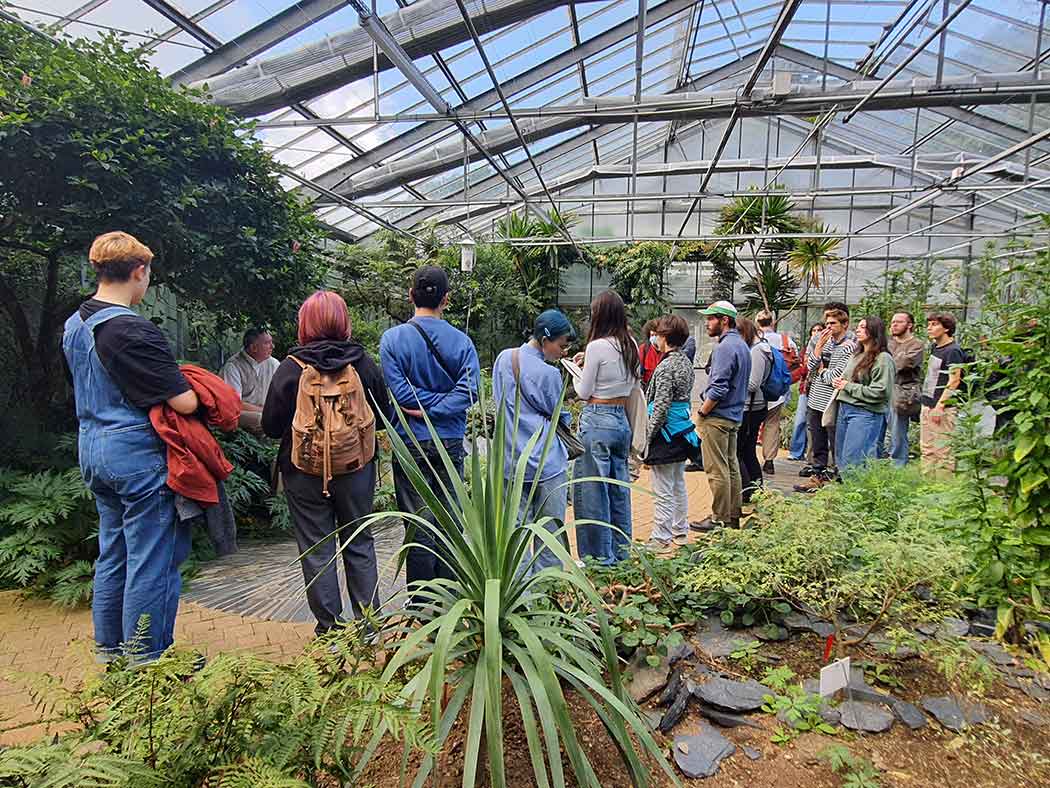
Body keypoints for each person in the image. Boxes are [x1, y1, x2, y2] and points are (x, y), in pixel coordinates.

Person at [63, 232, 199, 664]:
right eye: (148, 275)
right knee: (152, 558)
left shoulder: (75, 323)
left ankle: (111, 651)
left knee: (114, 551)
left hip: (93, 448)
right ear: (139, 271)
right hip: (136, 455)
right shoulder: (131, 329)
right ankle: (149, 659)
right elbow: (185, 401)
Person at [262, 291, 391, 635]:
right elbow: (384, 415)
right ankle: (370, 627)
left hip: (303, 473)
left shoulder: (291, 367)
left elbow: (271, 426)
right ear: (343, 321)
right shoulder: (362, 363)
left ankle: (330, 631)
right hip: (356, 470)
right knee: (359, 542)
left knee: (317, 548)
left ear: (305, 325)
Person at [380, 266, 480, 593]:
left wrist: (421, 408)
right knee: (450, 517)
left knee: (416, 520)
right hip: (449, 440)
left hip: (410, 441)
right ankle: (449, 596)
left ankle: (422, 602)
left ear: (411, 296)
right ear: (447, 299)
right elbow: (469, 392)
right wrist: (442, 405)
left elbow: (402, 394)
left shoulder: (392, 340)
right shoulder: (462, 342)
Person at [493, 309, 576, 573]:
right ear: (545, 340)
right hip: (547, 463)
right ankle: (546, 590)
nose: (563, 351)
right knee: (549, 534)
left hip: (510, 461)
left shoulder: (504, 359)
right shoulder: (549, 375)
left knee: (514, 534)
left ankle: (520, 596)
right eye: (561, 345)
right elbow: (560, 416)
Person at [572, 290, 639, 564]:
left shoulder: (596, 346)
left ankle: (598, 558)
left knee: (592, 492)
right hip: (621, 420)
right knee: (618, 490)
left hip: (597, 418)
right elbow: (633, 385)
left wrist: (576, 371)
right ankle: (622, 554)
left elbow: (583, 392)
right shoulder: (631, 344)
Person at [690, 301, 750, 532]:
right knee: (731, 466)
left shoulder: (724, 348)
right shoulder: (742, 345)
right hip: (734, 416)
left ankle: (719, 518)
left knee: (717, 470)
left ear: (725, 320)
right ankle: (733, 514)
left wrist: (703, 411)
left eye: (711, 319)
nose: (707, 323)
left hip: (718, 417)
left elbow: (718, 388)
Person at [642, 315, 698, 549]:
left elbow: (661, 405)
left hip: (665, 435)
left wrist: (648, 437)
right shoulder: (685, 361)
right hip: (681, 432)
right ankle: (680, 531)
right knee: (677, 484)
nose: (653, 338)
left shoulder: (665, 366)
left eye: (656, 334)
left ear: (664, 336)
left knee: (662, 488)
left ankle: (661, 537)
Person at [794, 303, 857, 493]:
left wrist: (822, 371)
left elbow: (836, 377)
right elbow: (811, 365)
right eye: (827, 323)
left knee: (835, 438)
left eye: (833, 324)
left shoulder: (849, 347)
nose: (828, 327)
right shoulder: (823, 342)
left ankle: (838, 474)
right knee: (817, 438)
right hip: (815, 398)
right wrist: (819, 347)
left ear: (844, 324)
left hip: (833, 400)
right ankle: (818, 473)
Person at [831, 316, 895, 472]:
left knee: (855, 460)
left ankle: (856, 492)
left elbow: (881, 392)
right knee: (842, 459)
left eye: (863, 327)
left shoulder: (883, 358)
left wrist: (848, 386)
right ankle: (848, 492)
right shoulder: (857, 354)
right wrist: (840, 382)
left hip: (865, 413)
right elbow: (848, 380)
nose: (857, 330)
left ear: (874, 331)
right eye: (858, 326)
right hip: (845, 409)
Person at [920, 312, 966, 479]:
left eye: (934, 325)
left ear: (946, 328)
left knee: (943, 451)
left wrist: (940, 405)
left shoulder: (953, 351)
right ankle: (927, 484)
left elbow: (954, 380)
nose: (929, 328)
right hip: (928, 403)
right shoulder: (935, 347)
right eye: (929, 324)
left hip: (942, 408)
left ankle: (943, 487)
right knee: (927, 449)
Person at [755, 310, 797, 475]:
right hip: (778, 392)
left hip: (757, 392)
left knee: (753, 425)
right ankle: (769, 461)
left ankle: (749, 458)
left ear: (757, 323)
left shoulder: (755, 340)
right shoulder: (786, 341)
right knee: (772, 425)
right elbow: (795, 364)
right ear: (773, 322)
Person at [883, 312, 924, 466]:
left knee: (897, 430)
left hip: (902, 392)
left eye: (899, 322)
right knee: (880, 428)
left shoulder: (916, 345)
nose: (894, 325)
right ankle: (879, 460)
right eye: (892, 322)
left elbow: (902, 365)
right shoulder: (887, 343)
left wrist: (888, 361)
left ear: (909, 325)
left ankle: (898, 464)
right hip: (883, 389)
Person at [220, 328, 281, 433]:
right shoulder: (232, 366)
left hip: (267, 412)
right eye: (267, 343)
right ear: (253, 348)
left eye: (272, 342)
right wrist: (266, 411)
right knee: (261, 419)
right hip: (239, 413)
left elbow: (282, 395)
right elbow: (234, 403)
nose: (272, 346)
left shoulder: (274, 364)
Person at [738, 317, 771, 504]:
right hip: (753, 407)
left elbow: (752, 384)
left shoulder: (757, 351)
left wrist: (731, 384)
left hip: (751, 408)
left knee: (740, 452)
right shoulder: (759, 348)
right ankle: (755, 491)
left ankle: (749, 491)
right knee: (747, 451)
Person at [788, 323, 824, 461]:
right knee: (800, 421)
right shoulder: (806, 350)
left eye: (819, 330)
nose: (816, 332)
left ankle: (813, 455)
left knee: (815, 424)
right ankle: (796, 452)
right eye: (813, 330)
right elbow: (804, 369)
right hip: (805, 389)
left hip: (820, 390)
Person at [638, 320, 664, 387]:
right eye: (652, 335)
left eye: (657, 335)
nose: (654, 338)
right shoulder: (644, 349)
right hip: (647, 388)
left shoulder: (667, 350)